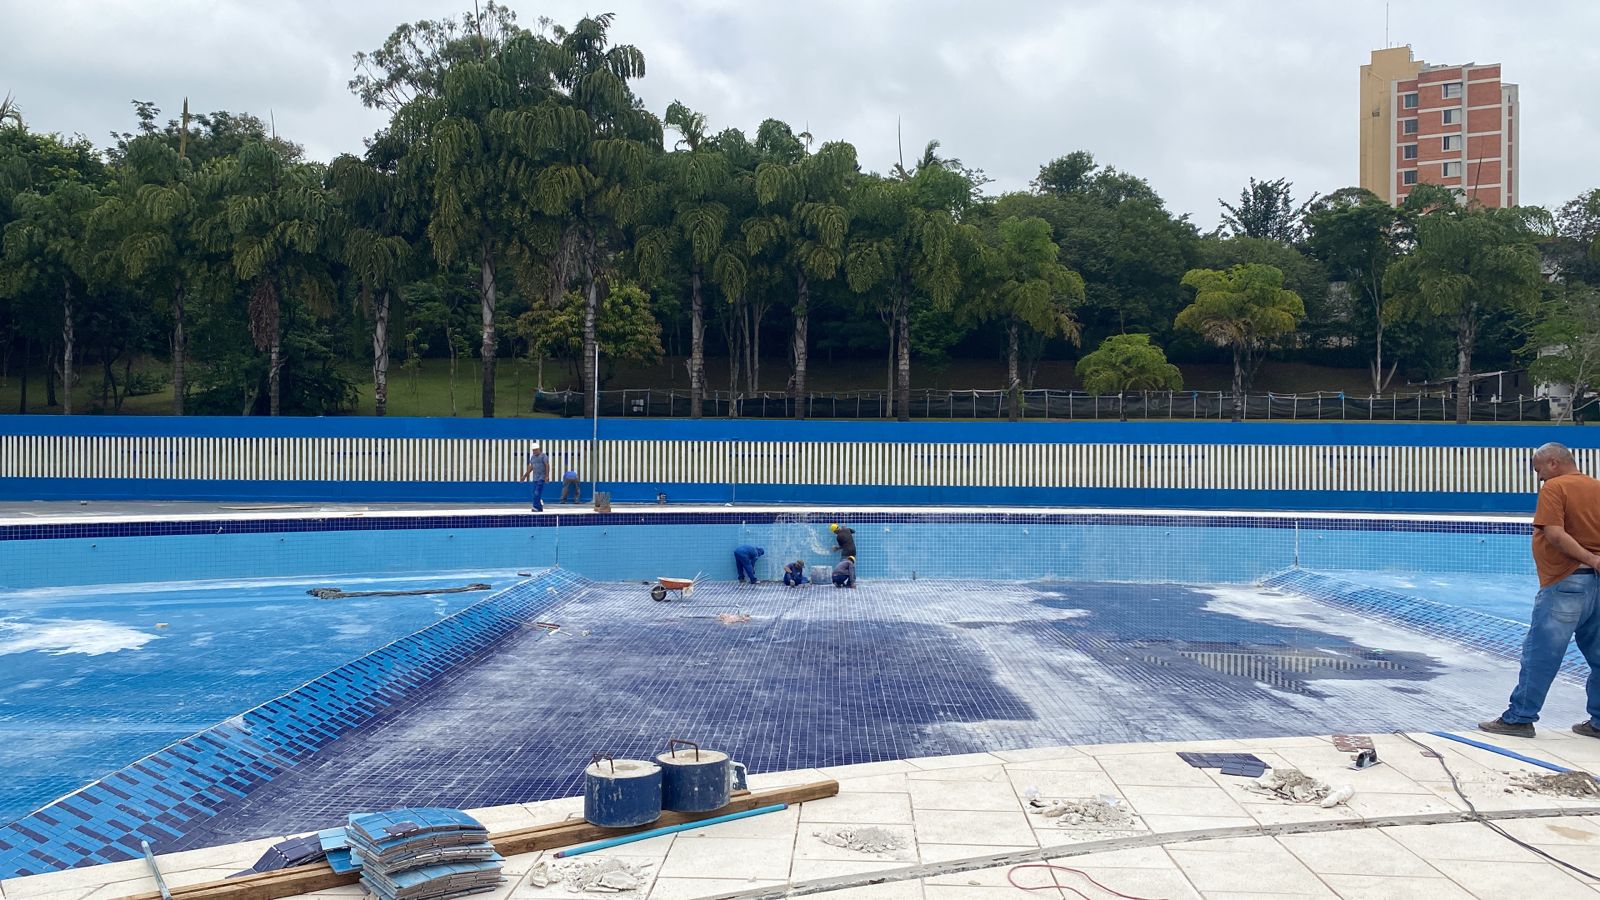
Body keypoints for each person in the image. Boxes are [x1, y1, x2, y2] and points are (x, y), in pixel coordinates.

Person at [1480, 443, 1600, 738]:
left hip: (1567, 581)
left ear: (1554, 463)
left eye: (1539, 470)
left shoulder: (1556, 488)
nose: (1539, 477)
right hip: (1597, 583)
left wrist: (1590, 558)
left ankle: (1520, 717)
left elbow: (1555, 534)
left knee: (1541, 654)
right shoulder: (1597, 487)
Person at [518, 444, 548, 512]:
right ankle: (540, 506)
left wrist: (547, 476)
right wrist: (525, 476)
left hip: (542, 477)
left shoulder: (543, 456)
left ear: (538, 449)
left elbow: (547, 465)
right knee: (535, 492)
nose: (534, 452)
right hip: (535, 478)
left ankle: (535, 507)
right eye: (533, 450)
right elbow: (531, 467)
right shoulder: (532, 457)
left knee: (537, 492)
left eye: (535, 450)